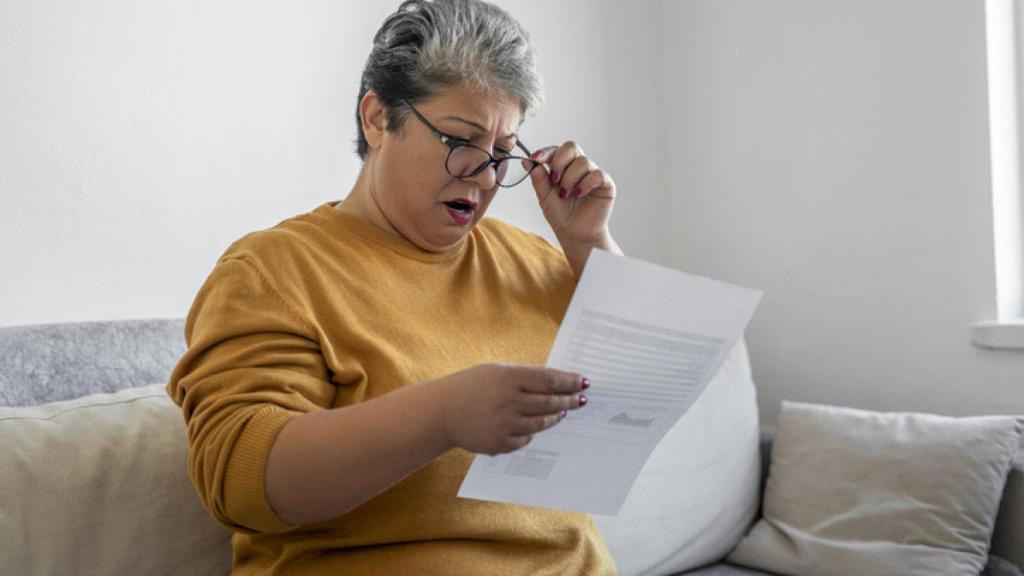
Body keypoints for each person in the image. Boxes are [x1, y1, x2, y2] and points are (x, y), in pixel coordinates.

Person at [167, 0, 623, 573]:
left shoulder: (535, 261)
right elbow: (239, 485)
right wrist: (444, 415)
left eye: (504, 153)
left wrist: (588, 244)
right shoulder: (274, 270)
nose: (485, 177)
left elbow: (641, 401)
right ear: (377, 118)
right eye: (462, 141)